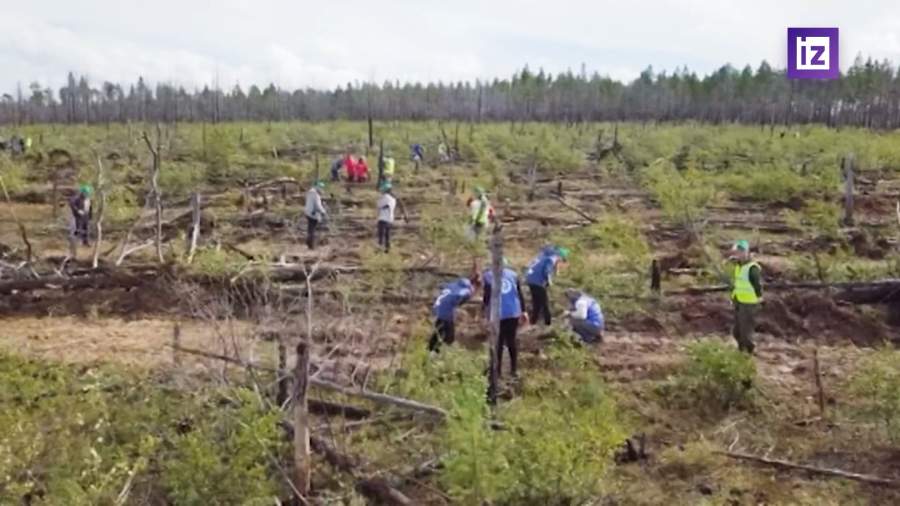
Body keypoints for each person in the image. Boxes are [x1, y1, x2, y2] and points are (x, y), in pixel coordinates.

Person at [482, 262, 528, 378]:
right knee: (511, 341)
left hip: (498, 313)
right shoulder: (513, 275)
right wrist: (524, 311)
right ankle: (513, 370)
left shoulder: (488, 276)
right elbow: (520, 293)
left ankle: (497, 372)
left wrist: (484, 312)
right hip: (513, 311)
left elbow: (487, 297)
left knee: (498, 342)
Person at [730, 239, 762, 354]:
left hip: (749, 304)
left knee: (745, 332)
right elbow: (738, 284)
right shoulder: (739, 266)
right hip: (739, 301)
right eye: (736, 252)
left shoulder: (752, 268)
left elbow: (757, 286)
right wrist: (734, 298)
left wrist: (759, 299)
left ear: (746, 252)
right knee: (736, 331)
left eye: (740, 251)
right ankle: (741, 350)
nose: (738, 254)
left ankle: (749, 351)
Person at [429, 277, 477, 352]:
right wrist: (470, 293)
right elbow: (464, 295)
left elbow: (441, 286)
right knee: (449, 336)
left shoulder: (451, 287)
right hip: (446, 312)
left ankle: (431, 349)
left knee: (439, 330)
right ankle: (444, 352)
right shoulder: (464, 291)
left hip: (437, 307)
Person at [525, 246, 570, 325]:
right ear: (560, 256)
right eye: (562, 259)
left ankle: (533, 321)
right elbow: (546, 271)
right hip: (538, 281)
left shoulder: (544, 257)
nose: (561, 262)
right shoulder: (551, 259)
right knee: (545, 303)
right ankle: (548, 322)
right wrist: (549, 282)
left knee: (536, 302)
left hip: (530, 280)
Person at [304, 181, 328, 250]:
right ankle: (311, 245)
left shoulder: (310, 193)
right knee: (312, 230)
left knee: (310, 229)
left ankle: (309, 243)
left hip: (308, 212)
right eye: (321, 188)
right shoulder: (316, 195)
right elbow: (318, 206)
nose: (322, 189)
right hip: (313, 214)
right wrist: (323, 212)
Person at [376, 182, 397, 253]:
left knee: (381, 236)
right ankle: (387, 250)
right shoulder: (393, 199)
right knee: (387, 236)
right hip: (390, 219)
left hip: (383, 219)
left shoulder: (385, 197)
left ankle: (379, 250)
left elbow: (378, 204)